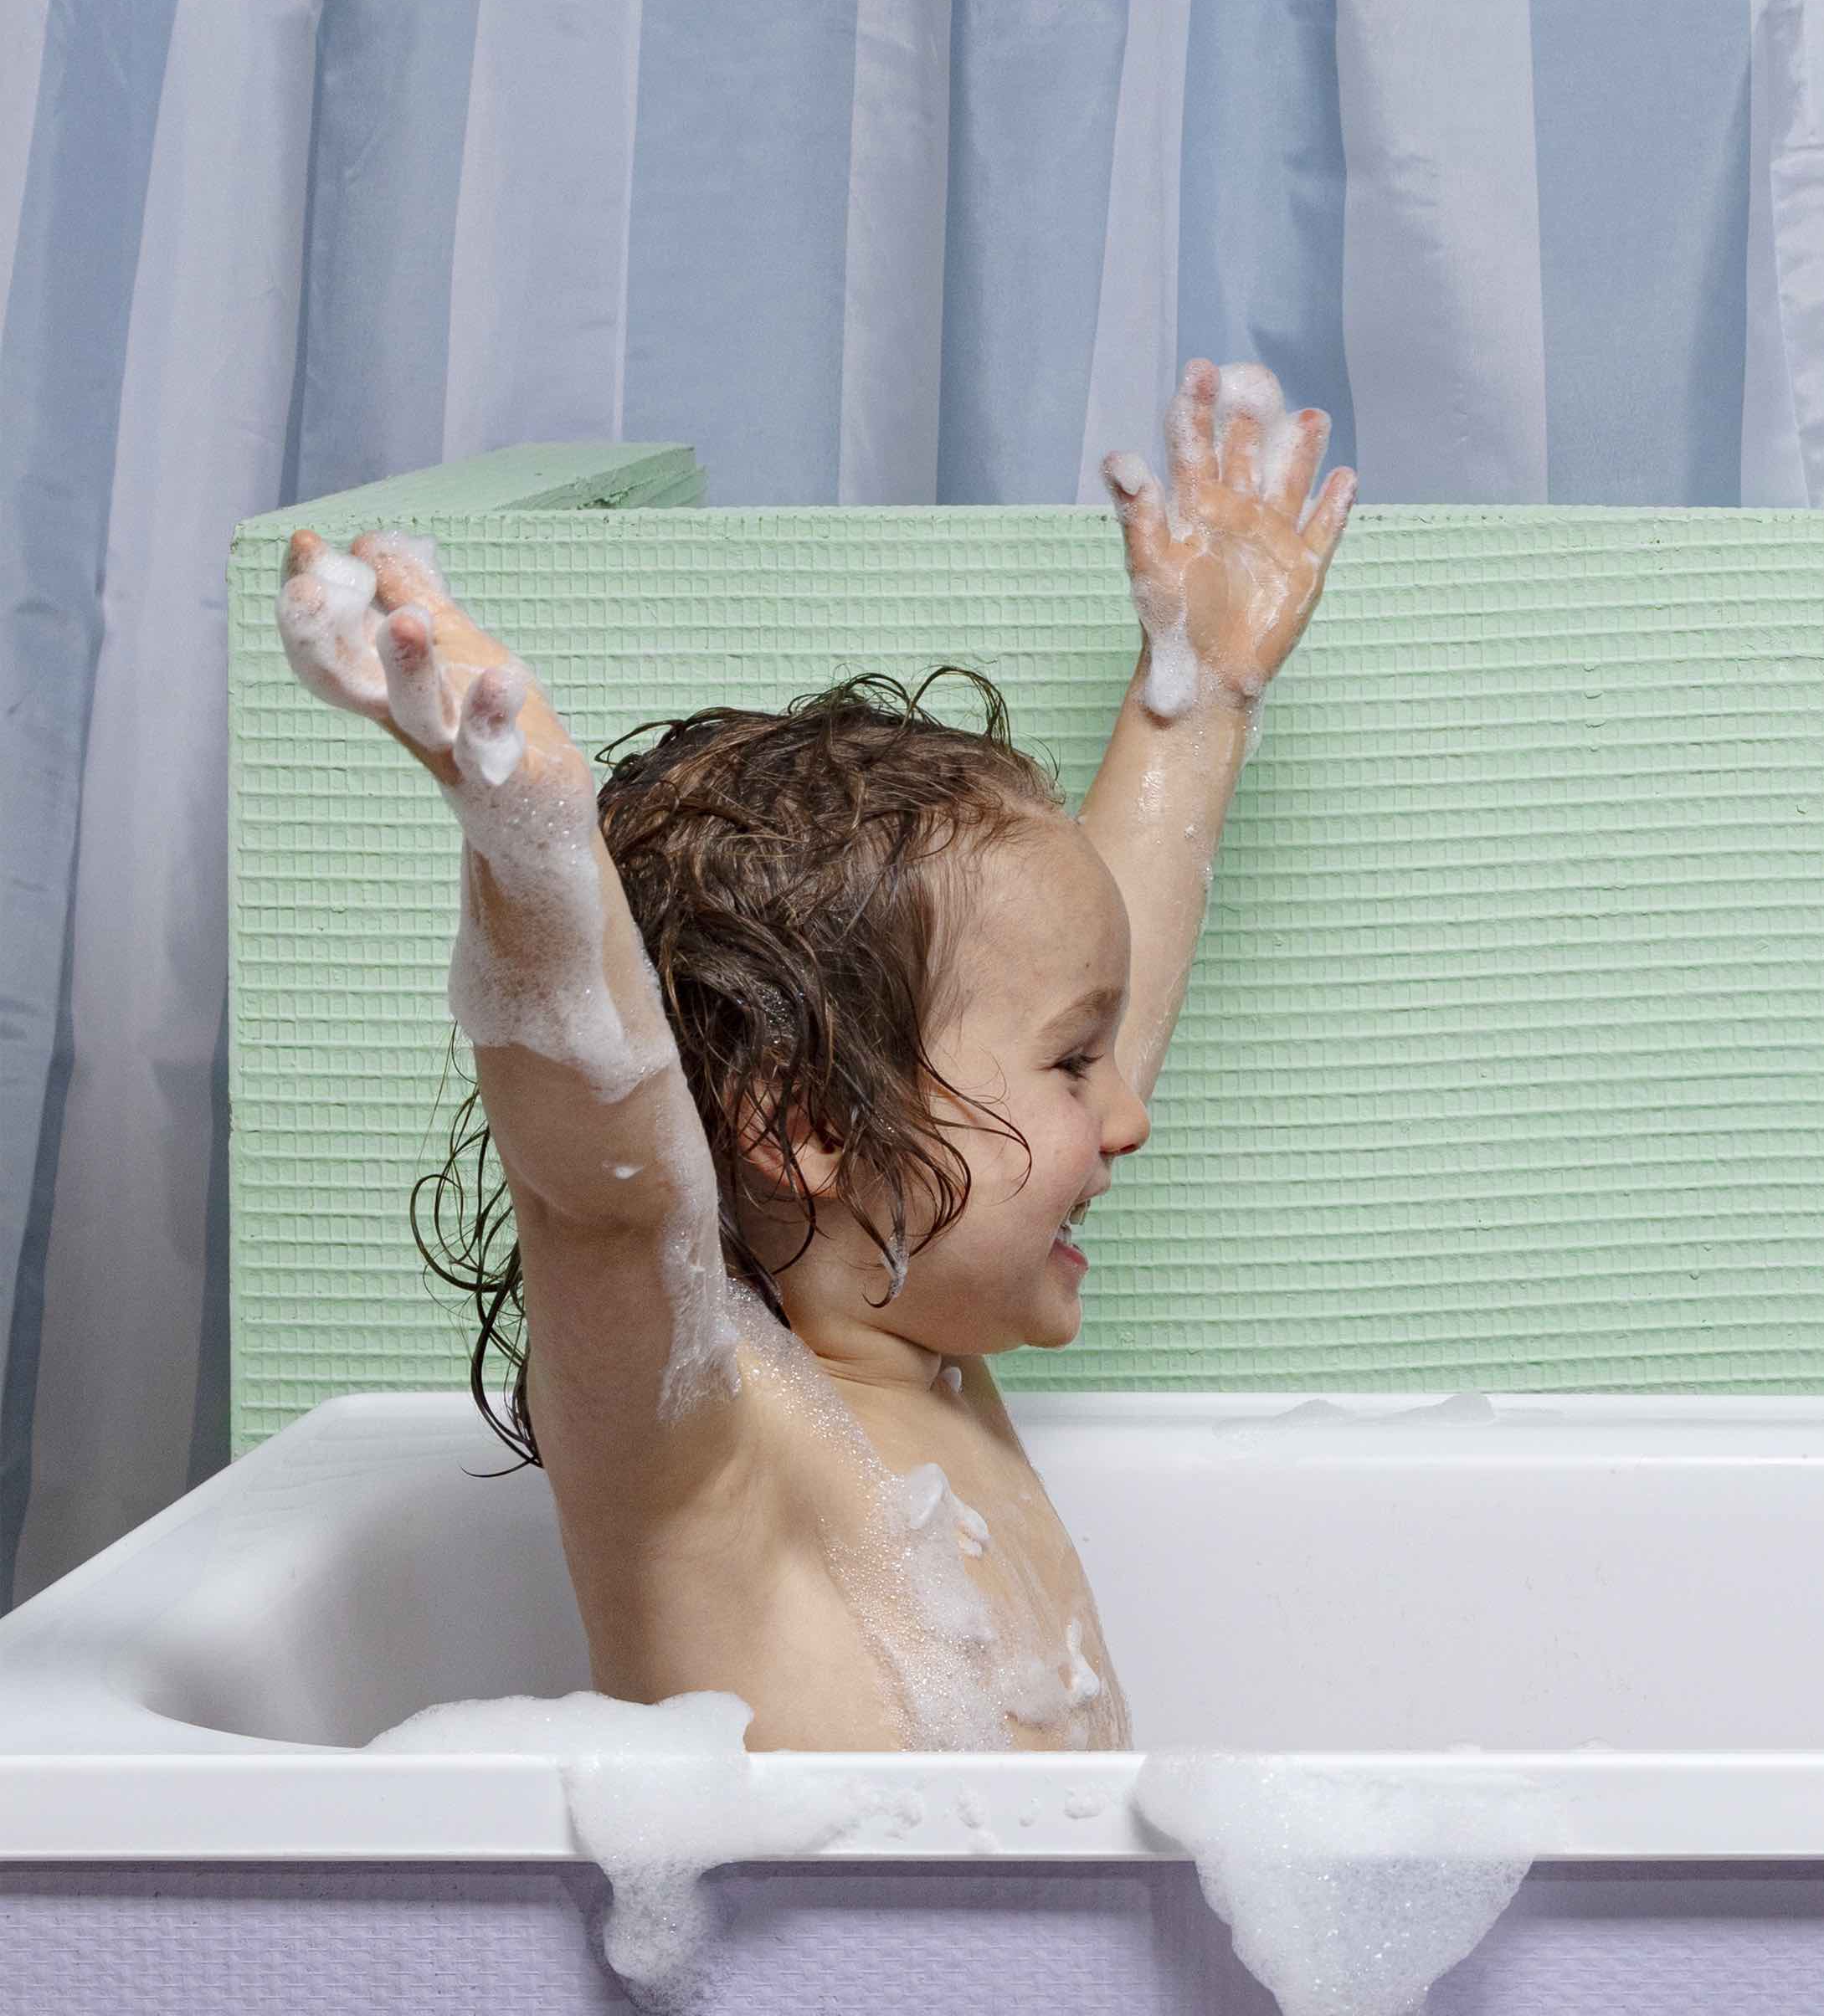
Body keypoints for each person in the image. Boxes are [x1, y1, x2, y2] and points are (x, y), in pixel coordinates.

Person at [275, 364, 1354, 1746]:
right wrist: (536, 835)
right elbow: (604, 1202)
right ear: (808, 1124)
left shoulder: (928, 1354)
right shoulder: (714, 1453)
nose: (1126, 1109)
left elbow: (1083, 990)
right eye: (1074, 1067)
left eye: (1101, 1059)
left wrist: (1193, 706)